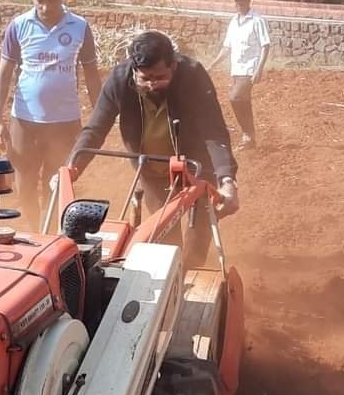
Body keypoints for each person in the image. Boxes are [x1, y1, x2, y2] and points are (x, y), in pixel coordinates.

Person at [70, 31, 240, 266]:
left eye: (160, 77)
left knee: (196, 244)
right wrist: (71, 168)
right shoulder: (120, 80)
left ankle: (191, 279)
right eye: (145, 78)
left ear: (174, 65)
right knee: (167, 243)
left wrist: (227, 179)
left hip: (197, 169)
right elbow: (95, 129)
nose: (151, 84)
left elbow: (214, 131)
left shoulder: (192, 76)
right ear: (134, 69)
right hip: (151, 172)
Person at [0, 0, 101, 231]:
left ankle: (51, 234)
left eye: (51, 0)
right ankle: (32, 229)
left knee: (57, 182)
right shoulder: (18, 26)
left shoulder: (80, 27)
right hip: (24, 121)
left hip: (64, 122)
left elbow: (92, 76)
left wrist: (99, 119)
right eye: (40, 0)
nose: (45, 6)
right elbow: (3, 75)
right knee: (24, 183)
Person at [208, 0, 271, 150]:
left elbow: (265, 46)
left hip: (250, 69)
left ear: (249, 1)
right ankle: (250, 138)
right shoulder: (234, 22)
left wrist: (259, 69)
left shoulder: (257, 20)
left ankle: (247, 134)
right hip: (236, 69)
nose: (239, 2)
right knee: (243, 102)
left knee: (235, 98)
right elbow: (227, 47)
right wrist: (213, 64)